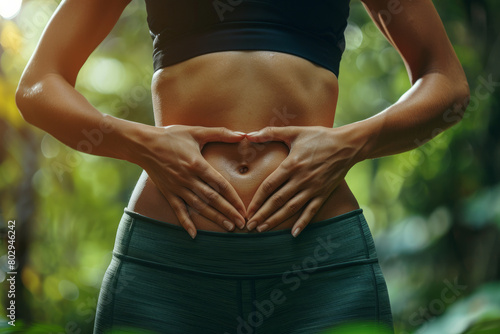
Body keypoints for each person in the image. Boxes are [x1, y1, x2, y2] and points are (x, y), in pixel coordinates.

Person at [16, 0, 469, 333]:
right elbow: (38, 86)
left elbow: (446, 82)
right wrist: (143, 144)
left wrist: (349, 143)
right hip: (167, 268)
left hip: (320, 267)